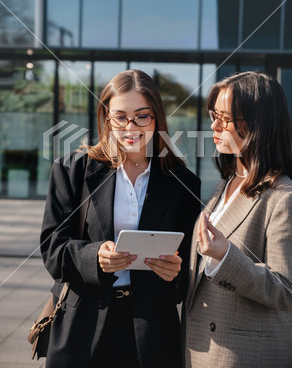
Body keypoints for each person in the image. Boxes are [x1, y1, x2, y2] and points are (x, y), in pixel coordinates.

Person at [40, 69, 201, 368]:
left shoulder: (182, 182)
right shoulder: (72, 170)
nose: (131, 127)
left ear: (157, 118)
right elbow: (52, 249)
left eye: (142, 116)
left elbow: (189, 271)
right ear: (106, 117)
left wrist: (174, 275)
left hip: (151, 333)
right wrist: (94, 256)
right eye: (120, 117)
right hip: (82, 328)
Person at [182, 71, 292, 367]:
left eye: (225, 118)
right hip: (201, 347)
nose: (214, 125)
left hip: (243, 354)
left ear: (258, 123)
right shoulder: (229, 181)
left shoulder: (284, 196)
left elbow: (287, 291)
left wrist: (225, 256)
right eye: (213, 114)